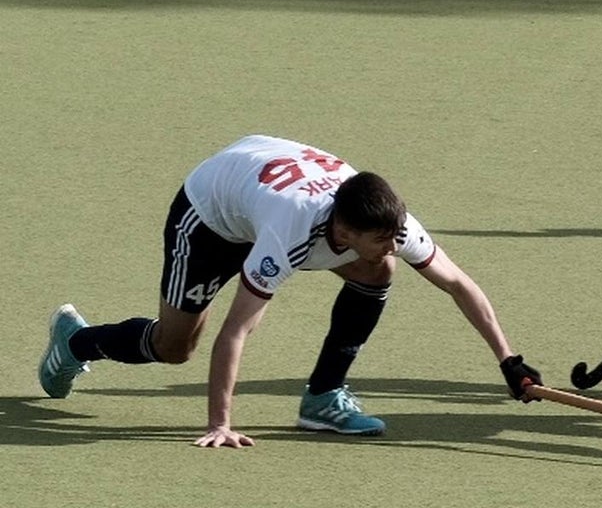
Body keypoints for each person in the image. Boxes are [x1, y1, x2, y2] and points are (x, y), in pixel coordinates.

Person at [38, 134, 543, 447]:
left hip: (262, 182)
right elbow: (237, 331)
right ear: (343, 232)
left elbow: (457, 285)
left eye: (395, 235)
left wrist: (508, 360)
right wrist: (220, 423)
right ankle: (76, 341)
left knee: (378, 272)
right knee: (175, 347)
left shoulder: (388, 223)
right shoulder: (291, 234)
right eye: (381, 239)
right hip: (211, 215)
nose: (394, 244)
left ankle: (322, 398)